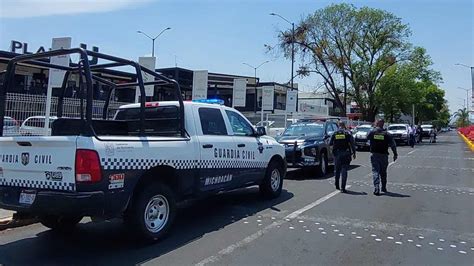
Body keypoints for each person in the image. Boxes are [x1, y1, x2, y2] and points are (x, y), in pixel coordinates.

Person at [367, 119, 398, 195]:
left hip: (375, 154)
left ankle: (376, 187)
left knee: (375, 171)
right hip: (384, 155)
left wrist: (374, 128)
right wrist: (395, 154)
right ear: (383, 124)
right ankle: (383, 187)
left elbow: (367, 137)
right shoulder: (387, 134)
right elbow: (393, 145)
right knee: (383, 172)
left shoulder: (372, 132)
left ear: (377, 123)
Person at [329, 121, 356, 193]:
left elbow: (330, 143)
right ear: (344, 126)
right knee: (344, 169)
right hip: (346, 153)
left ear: (338, 125)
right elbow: (352, 143)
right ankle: (343, 187)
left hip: (337, 153)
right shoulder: (347, 133)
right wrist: (354, 152)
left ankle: (337, 184)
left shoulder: (334, 133)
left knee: (337, 169)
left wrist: (333, 151)